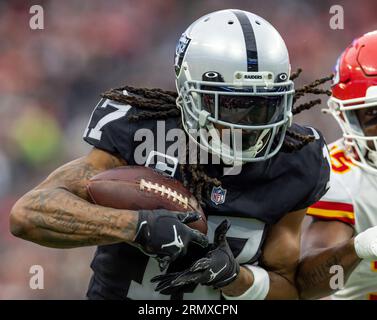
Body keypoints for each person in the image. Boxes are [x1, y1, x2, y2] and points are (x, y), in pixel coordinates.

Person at [10, 9, 330, 300]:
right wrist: (138, 226)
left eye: (264, 106)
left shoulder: (296, 159)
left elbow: (289, 289)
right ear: (188, 93)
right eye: (231, 106)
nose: (247, 125)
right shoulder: (143, 132)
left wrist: (237, 278)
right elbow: (28, 215)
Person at [297, 31, 377, 300]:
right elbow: (305, 284)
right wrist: (359, 246)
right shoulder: (342, 176)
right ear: (347, 116)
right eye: (374, 114)